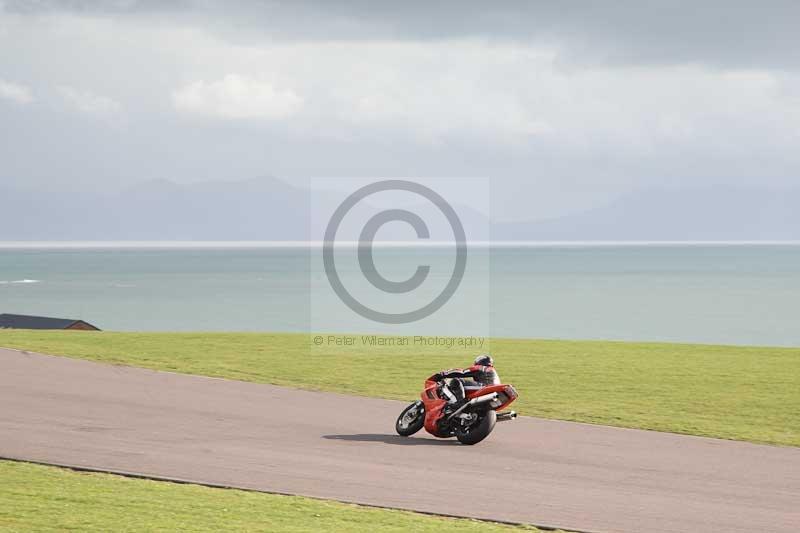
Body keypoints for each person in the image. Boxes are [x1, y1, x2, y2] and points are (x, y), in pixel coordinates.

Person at [429, 354, 499, 407]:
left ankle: (460, 403)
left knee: (456, 381)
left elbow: (462, 372)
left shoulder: (482, 367)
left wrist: (443, 374)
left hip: (485, 387)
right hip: (494, 391)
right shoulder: (492, 370)